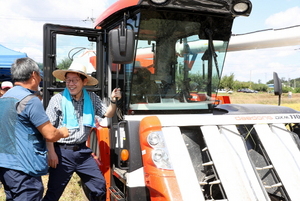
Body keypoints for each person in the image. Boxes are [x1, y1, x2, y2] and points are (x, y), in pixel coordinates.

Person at [43, 61, 121, 201]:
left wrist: (114, 101)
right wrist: (51, 152)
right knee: (54, 193)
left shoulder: (91, 98)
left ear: (84, 81)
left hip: (82, 152)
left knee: (99, 186)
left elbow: (108, 113)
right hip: (62, 153)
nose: (71, 84)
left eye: (75, 80)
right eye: (68, 80)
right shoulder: (57, 99)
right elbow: (48, 129)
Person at [0, 57, 69, 201]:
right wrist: (62, 132)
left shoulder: (5, 97)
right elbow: (50, 134)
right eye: (39, 76)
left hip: (6, 166)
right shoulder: (30, 100)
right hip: (24, 169)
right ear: (33, 75)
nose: (40, 80)